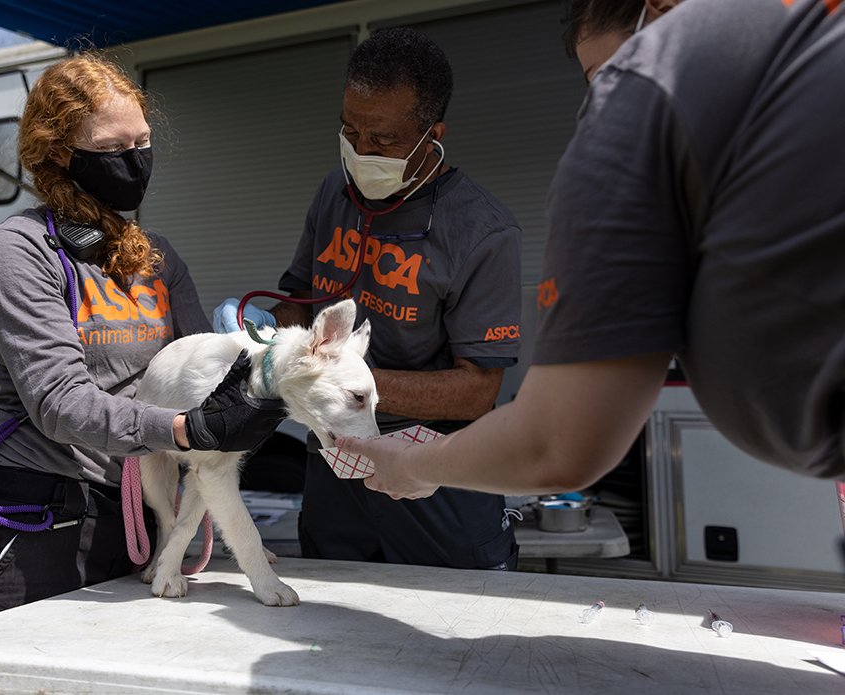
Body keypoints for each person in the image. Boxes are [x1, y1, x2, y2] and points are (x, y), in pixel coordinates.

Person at [335, 0, 845, 499]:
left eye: (603, 75)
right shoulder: (804, 49)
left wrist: (412, 466)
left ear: (663, 7)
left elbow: (557, 442)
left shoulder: (647, 85)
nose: (606, 98)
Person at [0, 54, 285, 628]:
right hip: (41, 514)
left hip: (140, 511)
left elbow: (197, 372)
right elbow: (59, 401)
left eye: (142, 143)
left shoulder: (159, 258)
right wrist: (184, 429)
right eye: (111, 146)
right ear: (56, 154)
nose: (134, 160)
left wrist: (253, 367)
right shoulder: (18, 252)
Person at [218, 28, 522, 571]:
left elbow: (477, 390)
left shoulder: (483, 231)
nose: (360, 151)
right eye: (349, 130)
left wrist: (346, 381)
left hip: (435, 471)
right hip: (335, 462)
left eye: (382, 140)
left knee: (455, 621)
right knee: (329, 614)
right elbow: (303, 307)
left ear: (433, 135)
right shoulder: (334, 195)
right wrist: (261, 333)